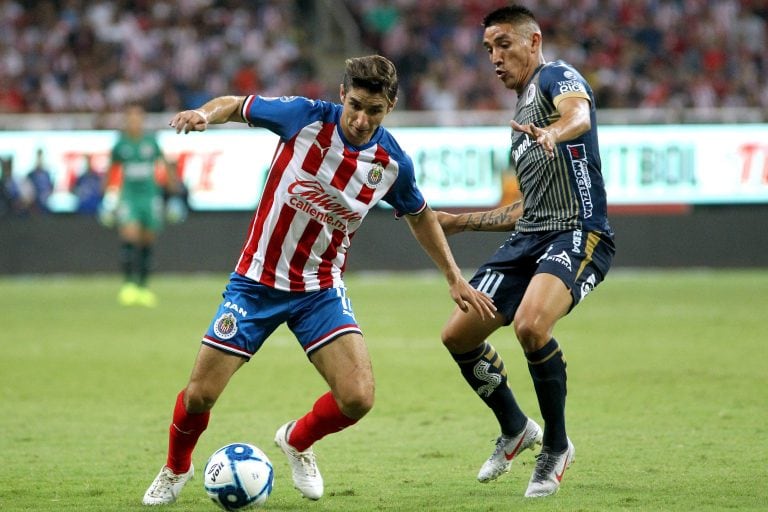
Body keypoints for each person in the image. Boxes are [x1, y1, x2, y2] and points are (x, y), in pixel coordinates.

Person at [142, 54, 499, 506]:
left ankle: (297, 439)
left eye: (374, 110)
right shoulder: (304, 118)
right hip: (256, 282)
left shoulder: (392, 163)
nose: (362, 118)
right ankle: (176, 469)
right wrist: (203, 114)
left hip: (320, 290)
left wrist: (454, 277)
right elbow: (236, 104)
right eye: (355, 105)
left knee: (358, 397)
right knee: (199, 396)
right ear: (341, 97)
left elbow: (420, 215)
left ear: (389, 107)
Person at [436, 5, 616, 499]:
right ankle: (516, 427)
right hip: (530, 238)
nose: (494, 57)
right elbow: (524, 210)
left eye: (504, 44)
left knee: (532, 327)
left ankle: (556, 446)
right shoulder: (520, 116)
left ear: (533, 41)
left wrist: (554, 132)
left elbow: (578, 112)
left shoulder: (557, 77)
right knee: (458, 335)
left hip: (579, 232)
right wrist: (458, 222)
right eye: (488, 48)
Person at [103, 104, 177, 307]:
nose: (135, 122)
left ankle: (143, 287)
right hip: (129, 197)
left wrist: (173, 193)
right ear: (126, 121)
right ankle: (128, 286)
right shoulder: (120, 145)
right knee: (130, 235)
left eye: (138, 118)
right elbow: (111, 169)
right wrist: (107, 196)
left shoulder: (151, 142)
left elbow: (164, 163)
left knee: (147, 240)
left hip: (150, 197)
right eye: (131, 118)